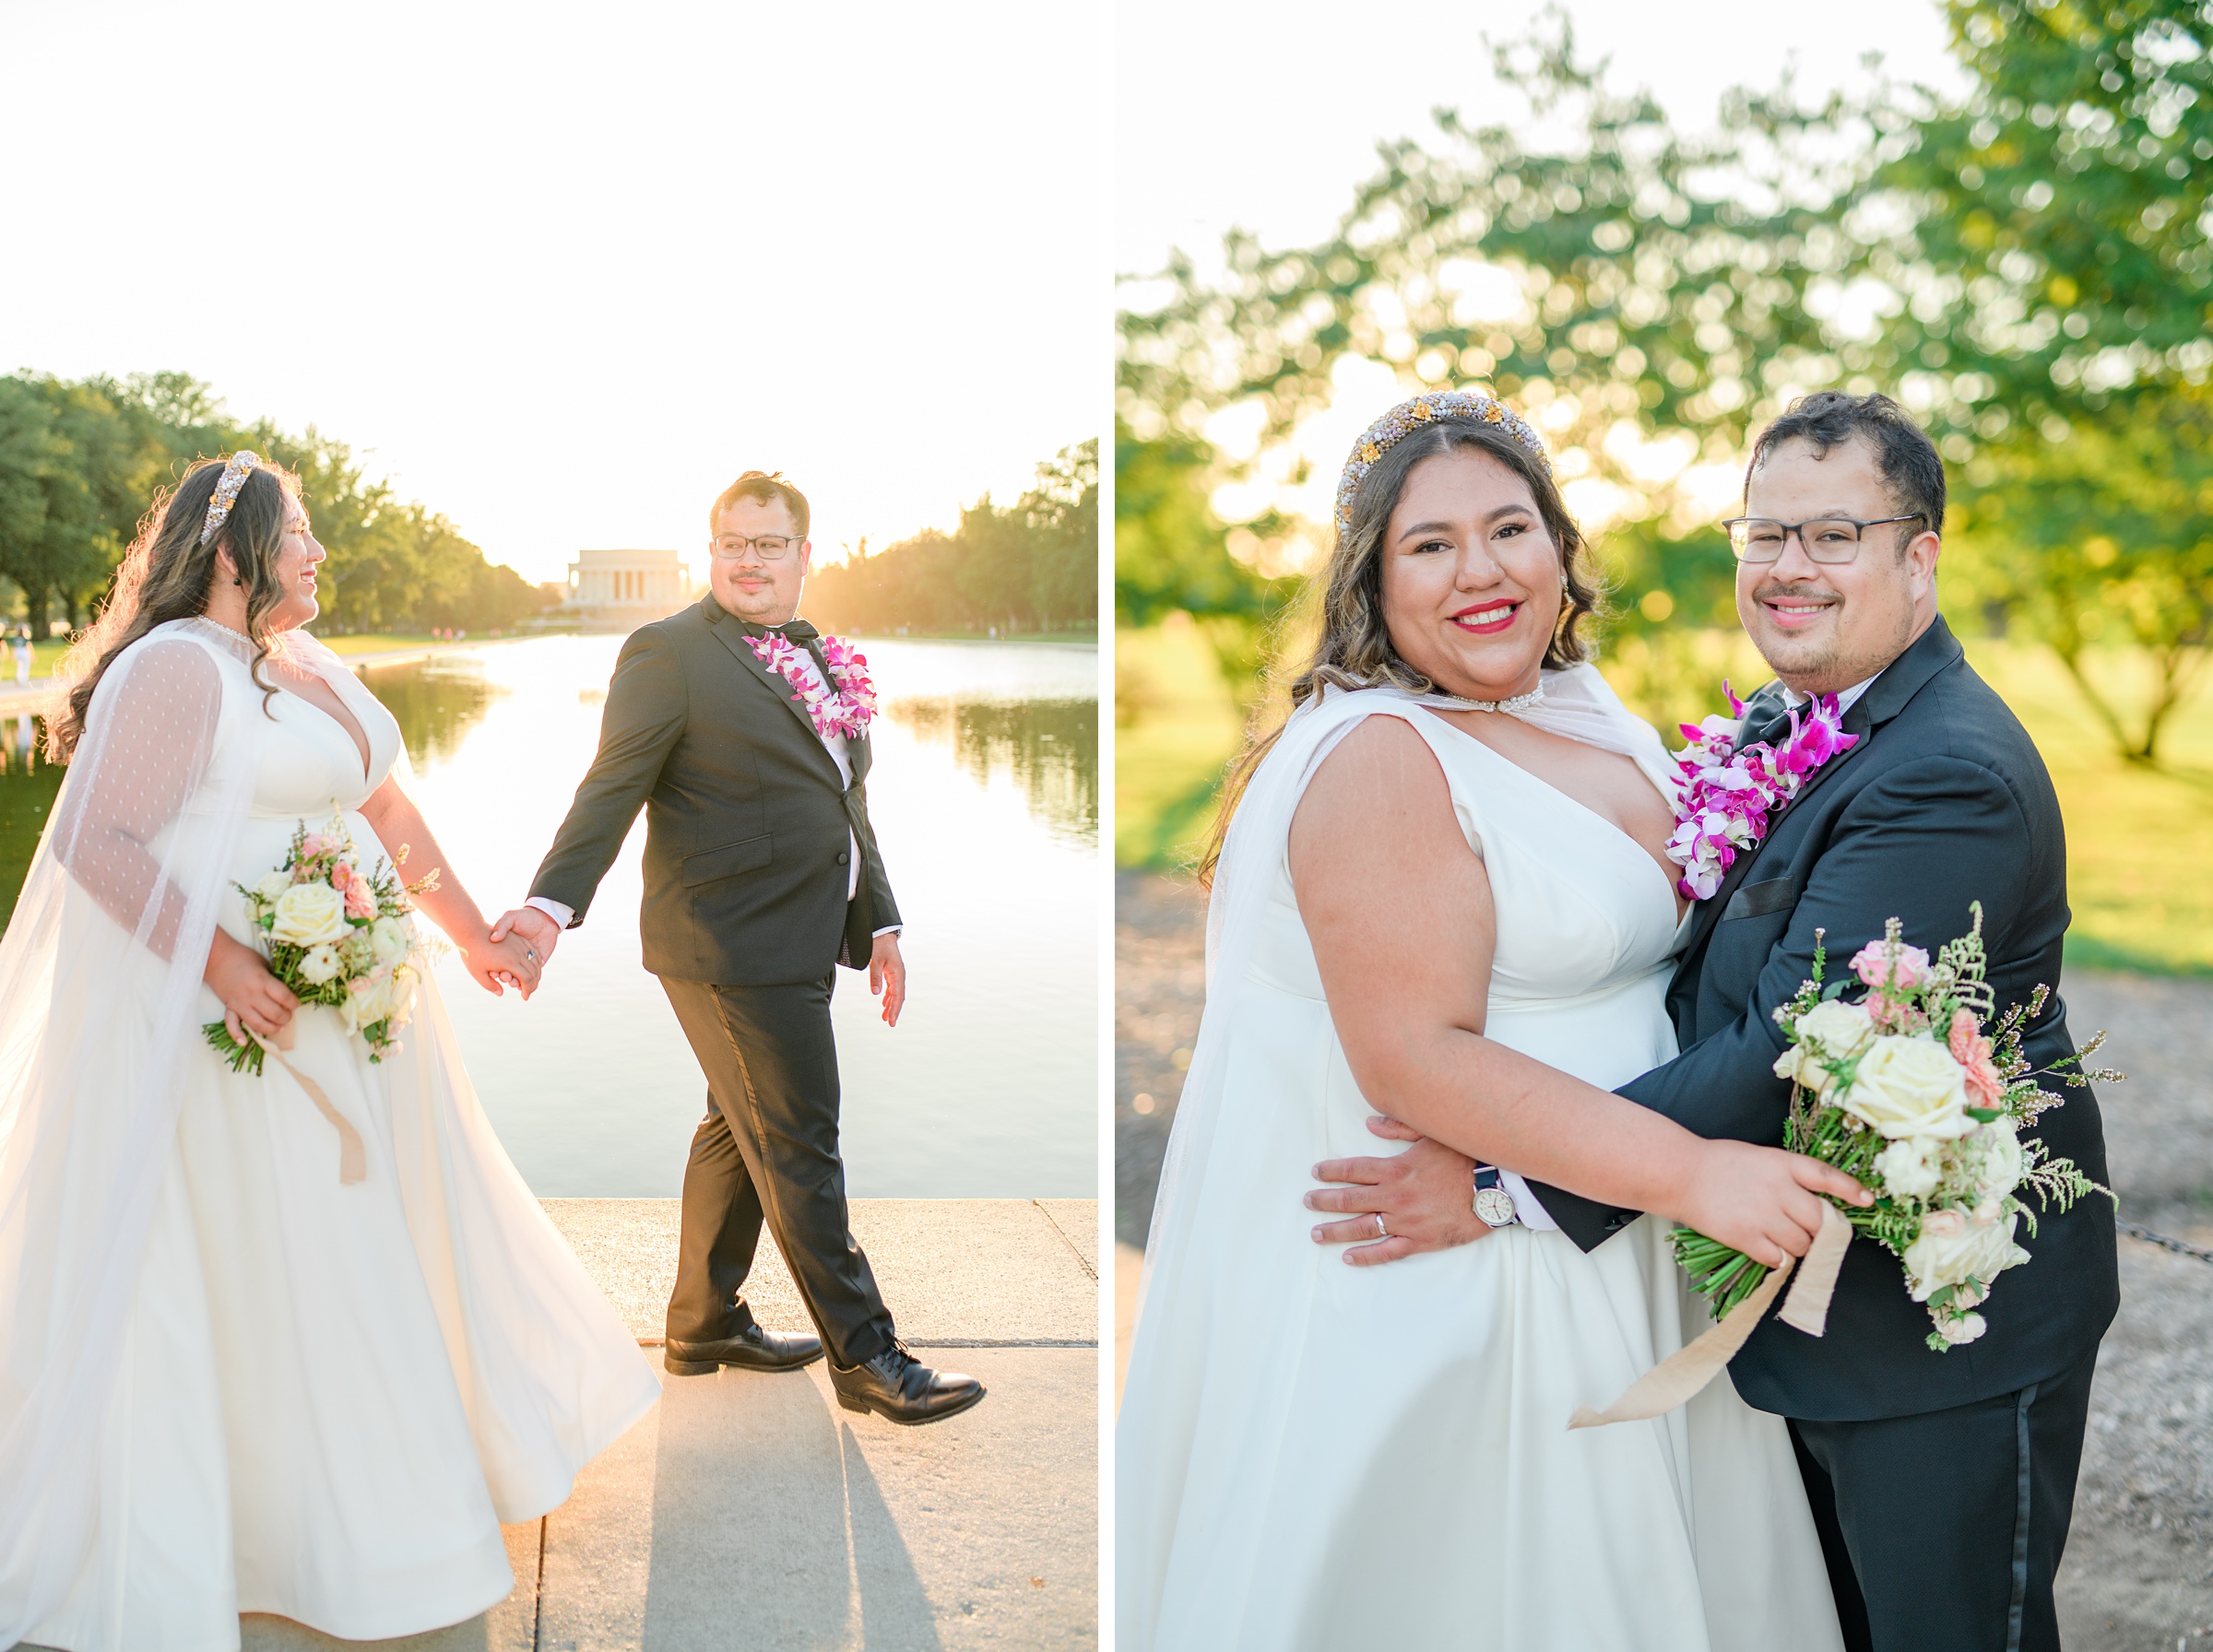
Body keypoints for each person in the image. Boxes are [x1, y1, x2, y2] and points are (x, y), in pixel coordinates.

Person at [1311, 392, 2118, 1652]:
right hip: (1803, 1307)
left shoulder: (1944, 773)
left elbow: (1789, 1055)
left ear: (1921, 557)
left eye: (1835, 536)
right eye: (1767, 534)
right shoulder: (1816, 723)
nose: (1789, 570)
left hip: (1940, 1338)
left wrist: (1501, 1181)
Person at [1118, 390, 1869, 1650]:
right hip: (1482, 1281)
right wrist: (1692, 1171)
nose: (1483, 571)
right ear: (1373, 580)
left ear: (1561, 550)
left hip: (1614, 1234)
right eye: (1431, 544)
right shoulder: (1378, 756)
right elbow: (1413, 1056)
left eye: (1511, 528)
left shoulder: (1584, 714)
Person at [0, 453, 660, 1648]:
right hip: (227, 1033)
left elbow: (389, 812)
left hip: (360, 1016)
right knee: (279, 1255)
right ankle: (282, 1524)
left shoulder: (299, 665)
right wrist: (228, 964)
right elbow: (101, 844)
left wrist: (473, 937)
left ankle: (395, 1482)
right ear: (234, 554)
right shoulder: (173, 670)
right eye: (296, 535)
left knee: (372, 1237)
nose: (316, 554)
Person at [490, 469, 985, 1427]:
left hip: (803, 933)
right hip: (726, 942)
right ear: (709, 550)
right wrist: (550, 908)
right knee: (801, 1140)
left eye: (768, 543)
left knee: (737, 1125)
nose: (749, 560)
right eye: (732, 541)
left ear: (806, 555)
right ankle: (869, 1355)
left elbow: (849, 805)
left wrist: (879, 921)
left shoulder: (827, 661)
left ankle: (703, 1322)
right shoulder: (667, 652)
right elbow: (611, 788)